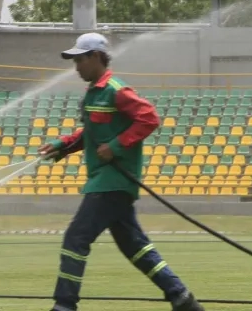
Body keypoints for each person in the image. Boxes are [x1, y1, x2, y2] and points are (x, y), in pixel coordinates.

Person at [38, 32, 205, 311]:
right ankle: (182, 298)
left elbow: (149, 118)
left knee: (76, 239)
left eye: (80, 60)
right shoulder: (95, 93)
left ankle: (64, 306)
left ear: (96, 57)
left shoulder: (116, 90)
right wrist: (62, 146)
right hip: (107, 181)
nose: (76, 67)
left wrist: (116, 146)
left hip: (112, 180)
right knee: (135, 247)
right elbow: (91, 133)